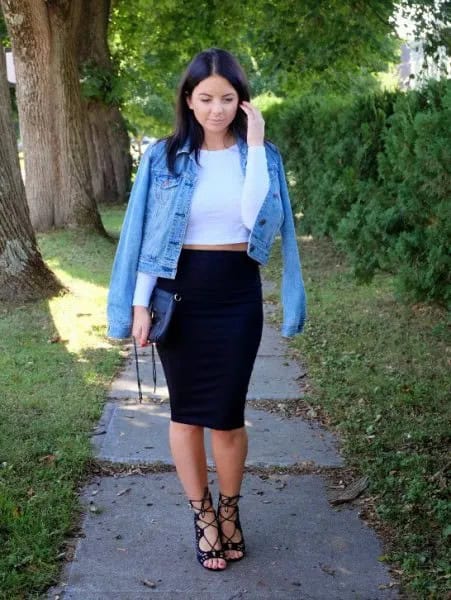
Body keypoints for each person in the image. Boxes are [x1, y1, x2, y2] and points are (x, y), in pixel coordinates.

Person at [107, 48, 306, 572]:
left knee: (227, 416)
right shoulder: (164, 157)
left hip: (237, 294)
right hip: (179, 294)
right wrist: (138, 305)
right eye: (206, 98)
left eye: (227, 98)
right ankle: (202, 517)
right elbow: (146, 235)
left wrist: (257, 143)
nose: (216, 109)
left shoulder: (259, 155)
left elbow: (253, 216)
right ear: (189, 101)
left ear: (242, 102)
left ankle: (231, 511)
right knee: (186, 414)